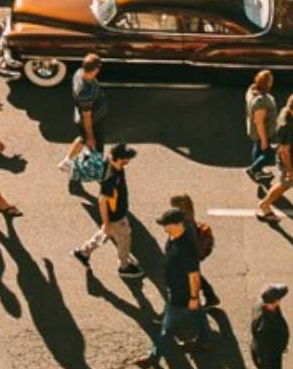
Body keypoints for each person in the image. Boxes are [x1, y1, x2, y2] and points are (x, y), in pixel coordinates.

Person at [132, 207, 200, 368]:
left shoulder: (186, 248)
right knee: (194, 316)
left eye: (166, 225)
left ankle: (153, 358)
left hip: (180, 294)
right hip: (174, 289)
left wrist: (194, 297)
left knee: (167, 328)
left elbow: (194, 276)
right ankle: (198, 340)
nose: (164, 228)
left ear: (177, 225)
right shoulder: (175, 236)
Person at [72, 144, 140, 278]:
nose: (128, 161)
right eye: (126, 159)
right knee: (124, 239)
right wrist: (107, 222)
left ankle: (83, 252)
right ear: (118, 158)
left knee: (106, 233)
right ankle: (124, 267)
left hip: (115, 214)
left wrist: (107, 226)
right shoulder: (111, 178)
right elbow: (102, 200)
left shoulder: (112, 165)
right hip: (115, 216)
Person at [256, 94, 293, 222]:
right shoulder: (286, 125)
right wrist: (289, 170)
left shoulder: (292, 114)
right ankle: (265, 204)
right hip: (291, 161)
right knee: (285, 184)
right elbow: (284, 151)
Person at [245, 69, 277, 186]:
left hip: (252, 130)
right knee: (267, 154)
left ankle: (258, 172)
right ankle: (253, 169)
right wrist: (264, 139)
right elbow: (259, 121)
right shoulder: (261, 101)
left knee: (257, 149)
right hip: (262, 132)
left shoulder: (251, 90)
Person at [250, 284, 291, 369]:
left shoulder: (267, 306)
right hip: (270, 358)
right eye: (279, 298)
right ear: (275, 301)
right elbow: (262, 349)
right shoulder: (264, 326)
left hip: (274, 350)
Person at [71, 54, 106, 150]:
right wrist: (90, 136)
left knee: (82, 139)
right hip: (93, 121)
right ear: (95, 70)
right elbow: (87, 116)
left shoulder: (79, 72)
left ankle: (67, 160)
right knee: (96, 148)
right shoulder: (85, 92)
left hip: (86, 115)